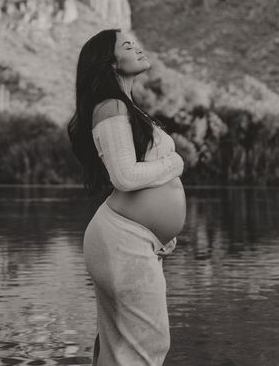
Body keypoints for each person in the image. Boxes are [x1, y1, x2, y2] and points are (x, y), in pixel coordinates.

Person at [67, 28, 188, 366]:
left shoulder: (124, 107)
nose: (137, 47)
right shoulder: (110, 107)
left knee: (123, 348)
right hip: (122, 241)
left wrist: (161, 233)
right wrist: (175, 163)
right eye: (127, 45)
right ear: (109, 63)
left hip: (133, 241)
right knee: (145, 344)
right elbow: (124, 176)